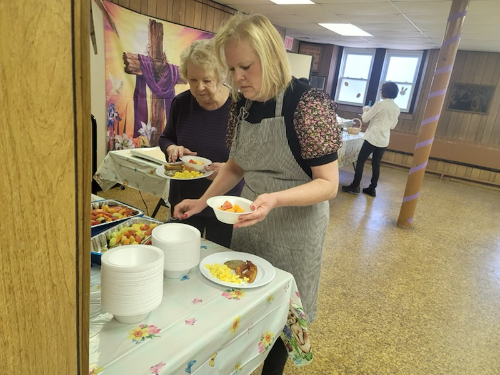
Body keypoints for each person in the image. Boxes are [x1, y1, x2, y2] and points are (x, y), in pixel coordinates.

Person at [172, 13, 343, 375]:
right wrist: (202, 201)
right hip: (250, 217)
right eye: (231, 69)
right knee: (243, 297)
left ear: (270, 55)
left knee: (283, 311)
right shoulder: (242, 103)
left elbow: (329, 184)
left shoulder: (308, 103)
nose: (237, 78)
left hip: (295, 229)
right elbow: (236, 165)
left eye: (245, 67)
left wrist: (276, 199)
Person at [158, 38, 243, 248]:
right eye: (193, 80)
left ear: (221, 75)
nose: (199, 88)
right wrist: (172, 147)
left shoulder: (240, 108)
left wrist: (230, 169)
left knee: (219, 258)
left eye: (206, 80)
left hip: (225, 201)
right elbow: (165, 137)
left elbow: (255, 160)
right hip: (184, 196)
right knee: (181, 253)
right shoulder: (181, 103)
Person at [341, 82, 400, 197]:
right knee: (376, 164)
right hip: (384, 140)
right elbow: (392, 126)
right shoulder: (396, 108)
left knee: (361, 161)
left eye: (382, 90)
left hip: (372, 137)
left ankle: (355, 185)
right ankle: (372, 188)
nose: (381, 92)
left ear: (385, 92)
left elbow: (365, 119)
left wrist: (365, 110)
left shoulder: (379, 104)